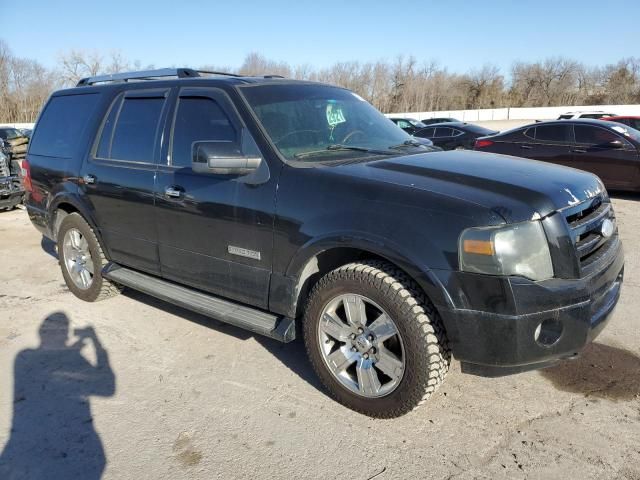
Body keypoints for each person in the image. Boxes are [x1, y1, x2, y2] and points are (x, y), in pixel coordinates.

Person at [0, 312, 115, 479]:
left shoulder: (23, 356)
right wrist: (95, 340)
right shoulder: (75, 359)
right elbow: (108, 388)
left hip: (22, 450)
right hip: (82, 445)